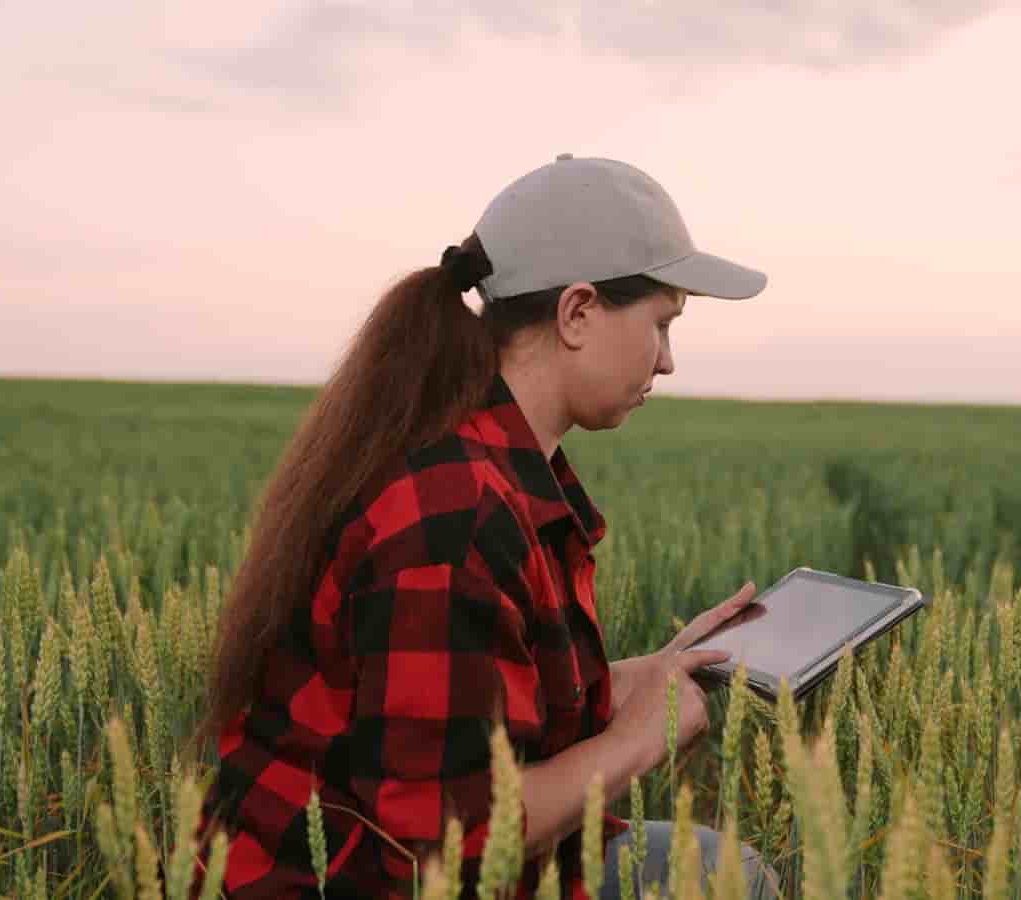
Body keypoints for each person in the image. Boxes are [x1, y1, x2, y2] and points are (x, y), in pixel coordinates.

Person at [194, 154, 780, 899]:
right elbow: (444, 842)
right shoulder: (454, 515)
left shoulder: (488, 465)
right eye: (661, 324)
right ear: (577, 313)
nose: (666, 361)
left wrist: (656, 674)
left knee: (724, 867)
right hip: (351, 884)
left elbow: (482, 708)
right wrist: (639, 742)